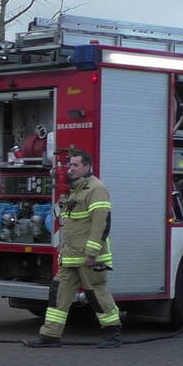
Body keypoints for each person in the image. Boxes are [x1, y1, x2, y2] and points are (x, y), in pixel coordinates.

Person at [32, 148, 121, 349]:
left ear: (87, 166)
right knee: (58, 292)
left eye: (75, 165)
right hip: (71, 255)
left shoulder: (96, 189)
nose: (70, 169)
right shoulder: (76, 189)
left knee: (96, 294)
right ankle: (50, 335)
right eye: (69, 164)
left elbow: (101, 223)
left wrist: (92, 253)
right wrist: (62, 249)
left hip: (89, 256)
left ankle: (112, 333)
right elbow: (72, 224)